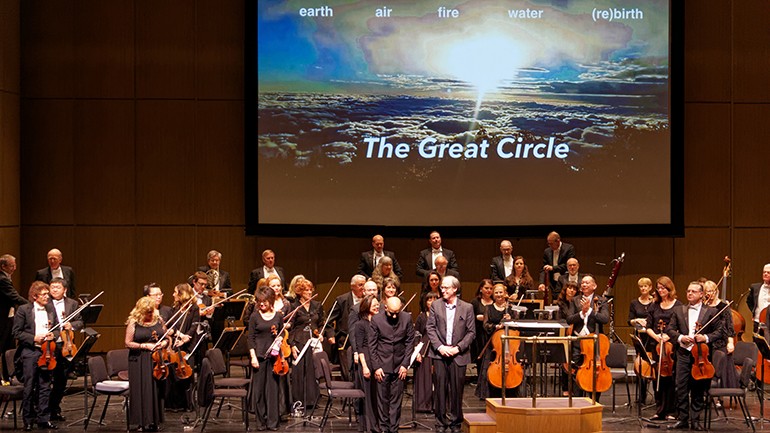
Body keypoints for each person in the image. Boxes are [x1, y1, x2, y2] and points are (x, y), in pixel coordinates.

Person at [665, 281, 725, 431]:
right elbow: (670, 329)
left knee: (698, 387)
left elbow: (719, 331)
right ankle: (683, 419)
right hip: (683, 353)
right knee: (681, 387)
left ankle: (696, 420)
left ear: (701, 294)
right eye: (688, 291)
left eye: (693, 291)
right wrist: (680, 338)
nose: (689, 293)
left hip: (701, 355)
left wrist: (705, 337)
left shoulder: (711, 312)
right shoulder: (678, 310)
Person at [426, 276, 475, 433]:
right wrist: (440, 347)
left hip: (458, 355)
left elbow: (471, 332)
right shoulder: (435, 305)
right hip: (440, 354)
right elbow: (431, 328)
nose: (443, 290)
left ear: (455, 289)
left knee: (456, 390)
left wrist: (458, 348)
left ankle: (455, 423)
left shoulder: (467, 307)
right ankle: (440, 423)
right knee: (440, 389)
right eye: (442, 287)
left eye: (446, 287)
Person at [13, 281, 59, 431]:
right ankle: (28, 419)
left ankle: (43, 419)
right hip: (30, 352)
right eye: (44, 294)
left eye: (47, 294)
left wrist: (54, 334)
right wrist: (34, 338)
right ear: (35, 296)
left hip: (47, 352)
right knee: (30, 387)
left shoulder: (51, 309)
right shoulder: (23, 310)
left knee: (45, 386)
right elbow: (17, 332)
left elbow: (58, 329)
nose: (48, 296)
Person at [368, 296, 415, 433]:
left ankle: (394, 429)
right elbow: (372, 345)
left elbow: (409, 343)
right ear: (385, 307)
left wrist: (405, 365)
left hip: (399, 364)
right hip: (382, 364)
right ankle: (384, 428)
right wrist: (376, 367)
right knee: (382, 400)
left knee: (396, 401)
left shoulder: (406, 318)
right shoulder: (377, 319)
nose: (394, 316)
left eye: (397, 312)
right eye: (391, 313)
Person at [125, 296, 169, 432]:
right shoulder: (133, 322)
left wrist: (163, 343)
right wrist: (145, 345)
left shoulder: (159, 320)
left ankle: (155, 420)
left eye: (151, 312)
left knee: (156, 388)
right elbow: (128, 343)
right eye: (147, 312)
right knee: (142, 389)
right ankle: (141, 421)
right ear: (140, 311)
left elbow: (167, 337)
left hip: (157, 359)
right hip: (139, 360)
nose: (150, 315)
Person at [564, 275, 609, 397]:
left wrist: (590, 311)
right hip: (578, 341)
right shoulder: (575, 300)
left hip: (595, 341)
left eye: (587, 283)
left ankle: (595, 400)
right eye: (582, 283)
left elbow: (605, 319)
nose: (584, 285)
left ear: (594, 286)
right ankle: (578, 400)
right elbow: (569, 319)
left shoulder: (601, 300)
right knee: (576, 371)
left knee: (596, 371)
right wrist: (582, 313)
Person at [645, 276, 682, 421]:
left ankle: (672, 411)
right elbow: (648, 327)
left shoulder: (678, 305)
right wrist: (657, 337)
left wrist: (669, 336)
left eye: (663, 288)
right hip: (657, 345)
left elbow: (681, 326)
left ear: (669, 288)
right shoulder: (654, 305)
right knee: (658, 379)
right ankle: (659, 410)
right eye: (658, 288)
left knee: (672, 379)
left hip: (672, 347)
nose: (660, 290)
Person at [248, 286, 283, 431]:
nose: (261, 304)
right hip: (259, 357)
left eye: (264, 301)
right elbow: (250, 339)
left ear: (271, 300)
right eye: (259, 301)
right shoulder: (254, 316)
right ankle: (261, 422)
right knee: (259, 391)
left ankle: (273, 422)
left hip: (274, 358)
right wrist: (253, 357)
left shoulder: (278, 316)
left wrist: (279, 339)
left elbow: (281, 334)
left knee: (273, 390)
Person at [48, 278, 83, 422]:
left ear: (65, 290)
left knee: (61, 380)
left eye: (58, 287)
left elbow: (80, 321)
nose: (54, 290)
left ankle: (55, 409)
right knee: (45, 380)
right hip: (49, 345)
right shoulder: (45, 302)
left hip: (65, 345)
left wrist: (72, 325)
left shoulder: (73, 304)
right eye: (52, 287)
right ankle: (42, 410)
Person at [476, 283, 517, 400]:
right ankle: (490, 393)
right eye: (496, 293)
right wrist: (496, 327)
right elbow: (485, 325)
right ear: (493, 295)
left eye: (501, 292)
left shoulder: (511, 308)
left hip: (510, 345)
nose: (499, 295)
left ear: (505, 294)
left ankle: (511, 388)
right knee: (489, 367)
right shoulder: (488, 308)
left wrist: (511, 320)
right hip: (495, 344)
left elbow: (517, 326)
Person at [288, 278, 324, 410]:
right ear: (299, 292)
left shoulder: (317, 305)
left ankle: (311, 400)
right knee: (298, 372)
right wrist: (292, 345)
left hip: (313, 342)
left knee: (312, 371)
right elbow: (290, 329)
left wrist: (320, 333)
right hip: (299, 342)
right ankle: (298, 401)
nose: (309, 292)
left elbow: (321, 323)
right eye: (306, 290)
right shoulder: (294, 307)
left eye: (310, 289)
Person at [165, 283, 199, 412]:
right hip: (176, 343)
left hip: (189, 345)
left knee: (186, 374)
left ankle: (187, 404)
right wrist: (179, 335)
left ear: (182, 294)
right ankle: (174, 404)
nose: (173, 294)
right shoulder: (175, 308)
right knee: (174, 374)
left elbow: (194, 326)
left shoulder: (194, 308)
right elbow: (171, 326)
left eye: (175, 292)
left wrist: (186, 337)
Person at [324, 274, 365, 380]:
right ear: (352, 286)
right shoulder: (342, 300)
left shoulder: (368, 300)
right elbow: (328, 319)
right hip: (345, 340)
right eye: (360, 285)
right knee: (347, 372)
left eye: (364, 285)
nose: (363, 288)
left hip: (363, 340)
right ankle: (349, 394)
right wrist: (330, 335)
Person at [350, 295, 380, 432]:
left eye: (377, 304)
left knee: (377, 394)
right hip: (366, 361)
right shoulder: (360, 324)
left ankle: (378, 424)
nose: (377, 306)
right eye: (374, 304)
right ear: (366, 307)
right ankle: (369, 426)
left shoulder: (379, 322)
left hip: (377, 359)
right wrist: (365, 367)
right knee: (368, 395)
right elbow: (360, 347)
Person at [703, 279, 738, 388]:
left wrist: (730, 342)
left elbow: (729, 326)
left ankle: (719, 398)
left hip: (720, 342)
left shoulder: (723, 306)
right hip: (706, 343)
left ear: (716, 291)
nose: (710, 293)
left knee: (721, 370)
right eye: (707, 291)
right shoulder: (703, 307)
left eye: (712, 290)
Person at [628, 277, 657, 405]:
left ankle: (657, 395)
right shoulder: (634, 303)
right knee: (641, 364)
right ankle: (642, 396)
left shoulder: (655, 302)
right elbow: (629, 320)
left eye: (646, 286)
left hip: (652, 336)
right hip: (640, 337)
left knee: (655, 364)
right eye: (641, 286)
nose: (643, 288)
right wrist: (637, 320)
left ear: (650, 287)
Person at [0, 254, 27, 379]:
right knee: (4, 348)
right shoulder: (2, 279)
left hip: (8, 318)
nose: (14, 268)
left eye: (15, 265)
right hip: (2, 320)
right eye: (11, 266)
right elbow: (14, 297)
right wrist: (32, 304)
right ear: (3, 266)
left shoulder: (6, 277)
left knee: (9, 348)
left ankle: (8, 376)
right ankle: (6, 377)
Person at [413, 291, 438, 413]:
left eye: (435, 299)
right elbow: (416, 334)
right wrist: (417, 351)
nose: (432, 302)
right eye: (429, 299)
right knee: (424, 376)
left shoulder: (442, 315)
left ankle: (438, 404)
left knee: (438, 377)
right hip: (424, 348)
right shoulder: (421, 316)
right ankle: (424, 404)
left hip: (439, 347)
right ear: (425, 302)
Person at [537, 231, 576, 301]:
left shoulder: (569, 248)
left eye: (551, 243)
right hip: (553, 283)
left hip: (565, 281)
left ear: (558, 241)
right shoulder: (547, 251)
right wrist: (541, 283)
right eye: (548, 243)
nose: (550, 246)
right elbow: (543, 268)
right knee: (555, 302)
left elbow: (568, 266)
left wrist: (553, 268)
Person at [557, 281, 579, 395]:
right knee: (565, 361)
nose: (572, 290)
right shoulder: (561, 304)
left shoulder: (578, 303)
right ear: (565, 290)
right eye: (569, 288)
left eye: (574, 289)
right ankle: (565, 388)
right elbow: (560, 319)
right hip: (564, 333)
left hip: (575, 334)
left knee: (575, 361)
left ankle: (576, 387)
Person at [470, 279, 494, 381]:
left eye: (491, 288)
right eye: (486, 288)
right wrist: (476, 317)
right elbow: (470, 317)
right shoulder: (475, 302)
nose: (489, 290)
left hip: (492, 334)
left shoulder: (495, 301)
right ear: (481, 289)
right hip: (479, 334)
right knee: (480, 357)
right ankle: (481, 381)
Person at [747, 263, 770, 329]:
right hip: (758, 322)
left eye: (768, 272)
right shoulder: (755, 287)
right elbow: (749, 301)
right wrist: (754, 312)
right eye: (764, 272)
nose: (765, 274)